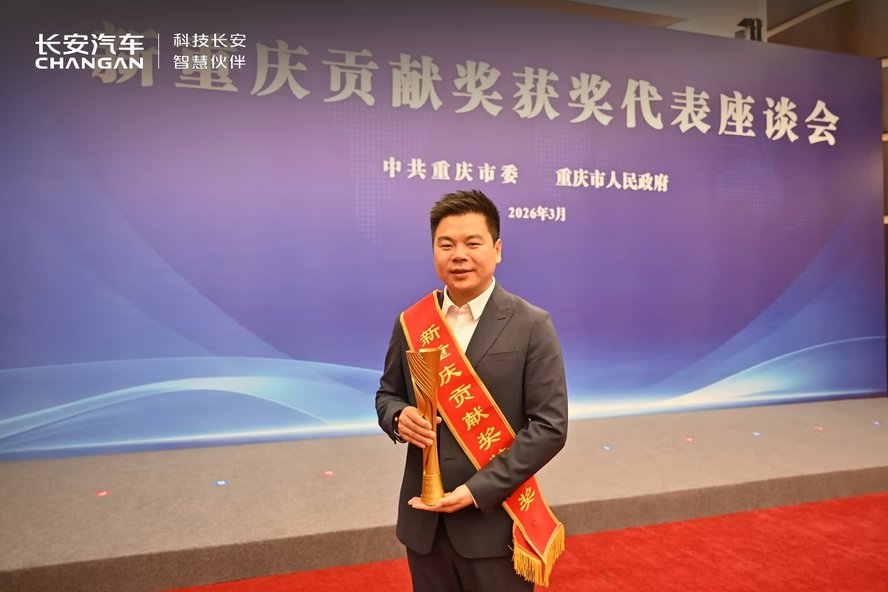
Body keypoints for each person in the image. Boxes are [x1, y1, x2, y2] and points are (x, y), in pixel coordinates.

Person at [375, 189, 568, 591]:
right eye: (446, 244)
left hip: (493, 523)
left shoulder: (532, 324)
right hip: (425, 522)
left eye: (472, 243)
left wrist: (476, 491)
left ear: (497, 249)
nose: (458, 255)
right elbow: (387, 394)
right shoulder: (412, 322)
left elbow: (549, 427)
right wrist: (397, 417)